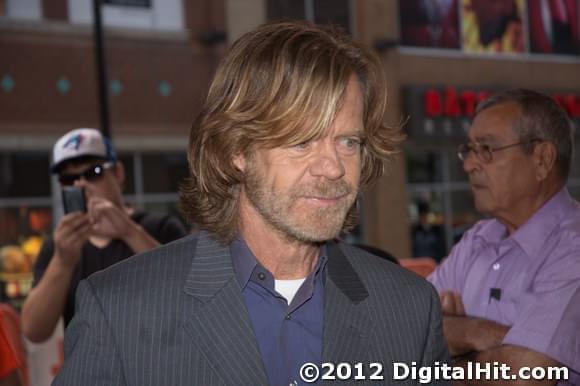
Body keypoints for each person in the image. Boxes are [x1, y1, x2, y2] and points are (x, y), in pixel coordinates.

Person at [55, 21, 449, 385]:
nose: (333, 167)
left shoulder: (410, 311)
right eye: (301, 141)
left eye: (348, 142)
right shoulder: (119, 311)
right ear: (236, 151)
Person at [428, 89, 580, 384]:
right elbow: (403, 331)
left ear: (542, 159)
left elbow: (524, 375)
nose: (469, 164)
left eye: (486, 149)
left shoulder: (573, 249)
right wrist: (477, 333)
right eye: (469, 149)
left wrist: (451, 336)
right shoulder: (476, 241)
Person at [21, 128, 188, 343]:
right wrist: (62, 262)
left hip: (156, 366)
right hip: (88, 372)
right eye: (68, 179)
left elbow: (192, 294)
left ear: (118, 173)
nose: (81, 184)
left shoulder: (160, 227)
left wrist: (129, 232)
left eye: (94, 172)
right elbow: (34, 331)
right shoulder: (60, 245)